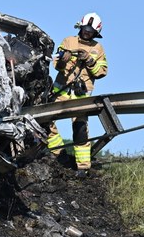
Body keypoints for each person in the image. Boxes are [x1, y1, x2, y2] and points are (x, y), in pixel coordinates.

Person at [46, 12, 108, 175]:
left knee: (80, 129)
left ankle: (82, 167)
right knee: (45, 120)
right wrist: (63, 60)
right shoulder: (68, 41)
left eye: (91, 30)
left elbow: (101, 72)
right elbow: (56, 65)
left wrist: (89, 60)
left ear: (96, 32)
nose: (87, 32)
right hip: (61, 90)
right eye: (86, 28)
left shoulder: (98, 48)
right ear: (81, 27)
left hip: (81, 93)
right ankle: (58, 154)